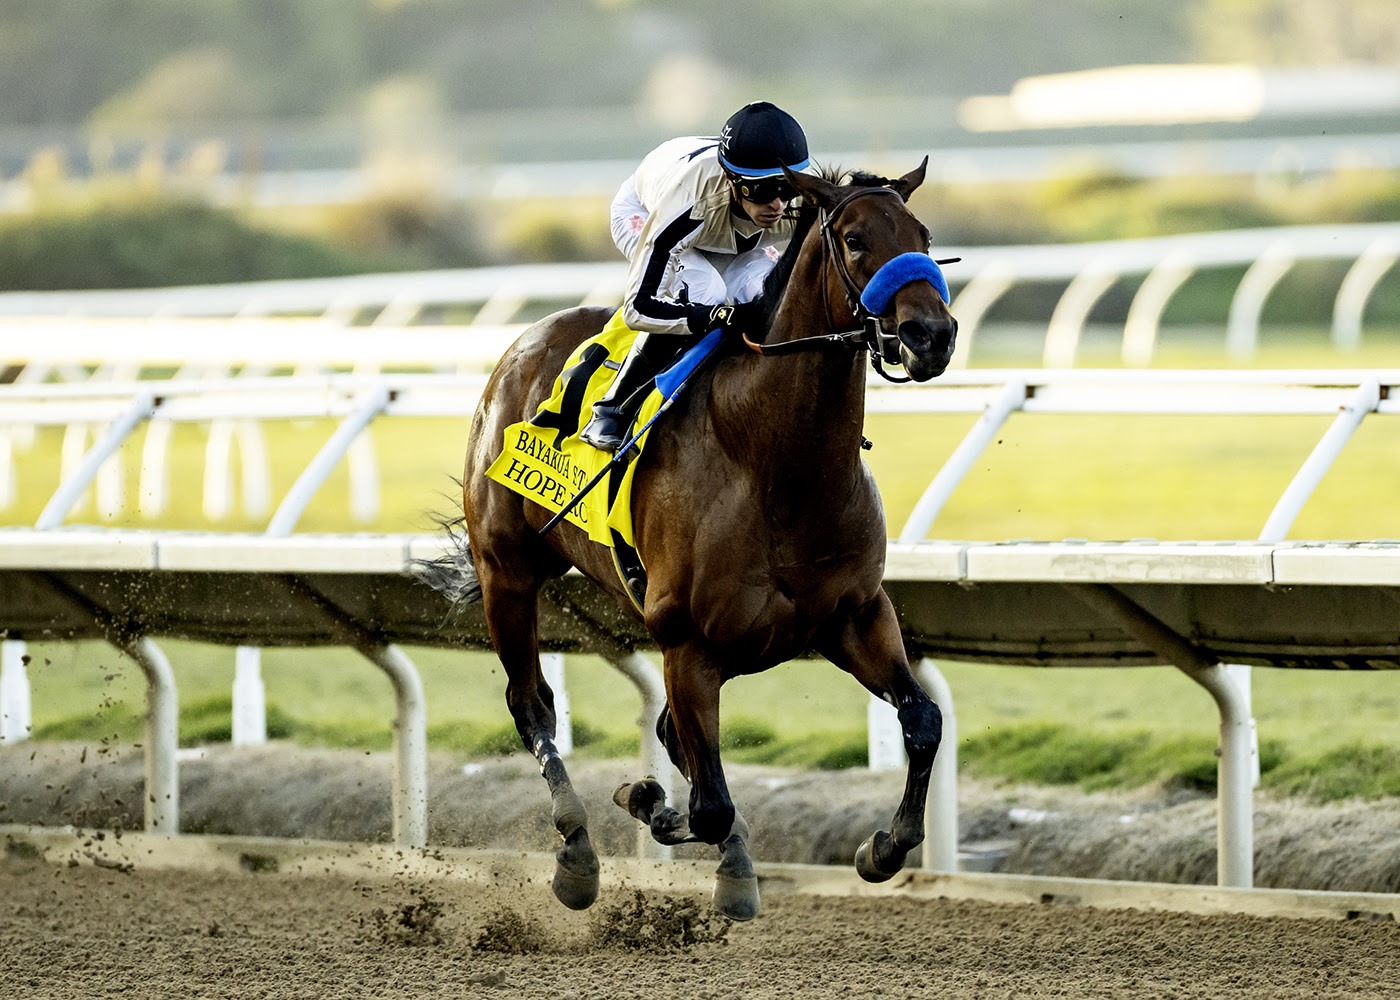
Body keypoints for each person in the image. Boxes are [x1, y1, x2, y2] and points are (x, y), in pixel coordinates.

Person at [579, 101, 814, 451]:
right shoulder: (688, 199)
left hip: (734, 237)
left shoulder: (808, 190)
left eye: (786, 189)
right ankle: (612, 409)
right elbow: (639, 308)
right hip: (647, 212)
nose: (778, 205)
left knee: (762, 296)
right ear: (733, 180)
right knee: (707, 291)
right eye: (763, 191)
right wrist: (710, 316)